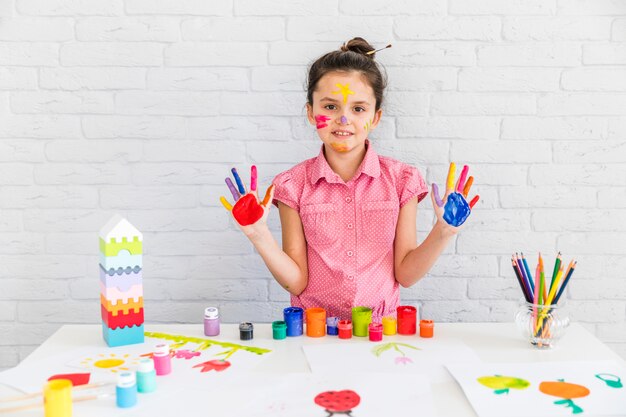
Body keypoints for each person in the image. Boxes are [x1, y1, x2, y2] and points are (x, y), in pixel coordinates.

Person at [220, 37, 478, 322]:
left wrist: (443, 231)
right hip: (315, 332)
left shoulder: (402, 181)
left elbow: (406, 275)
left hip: (380, 333)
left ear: (376, 117)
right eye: (330, 107)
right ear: (311, 112)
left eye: (358, 109)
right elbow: (296, 282)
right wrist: (259, 235)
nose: (344, 120)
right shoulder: (292, 185)